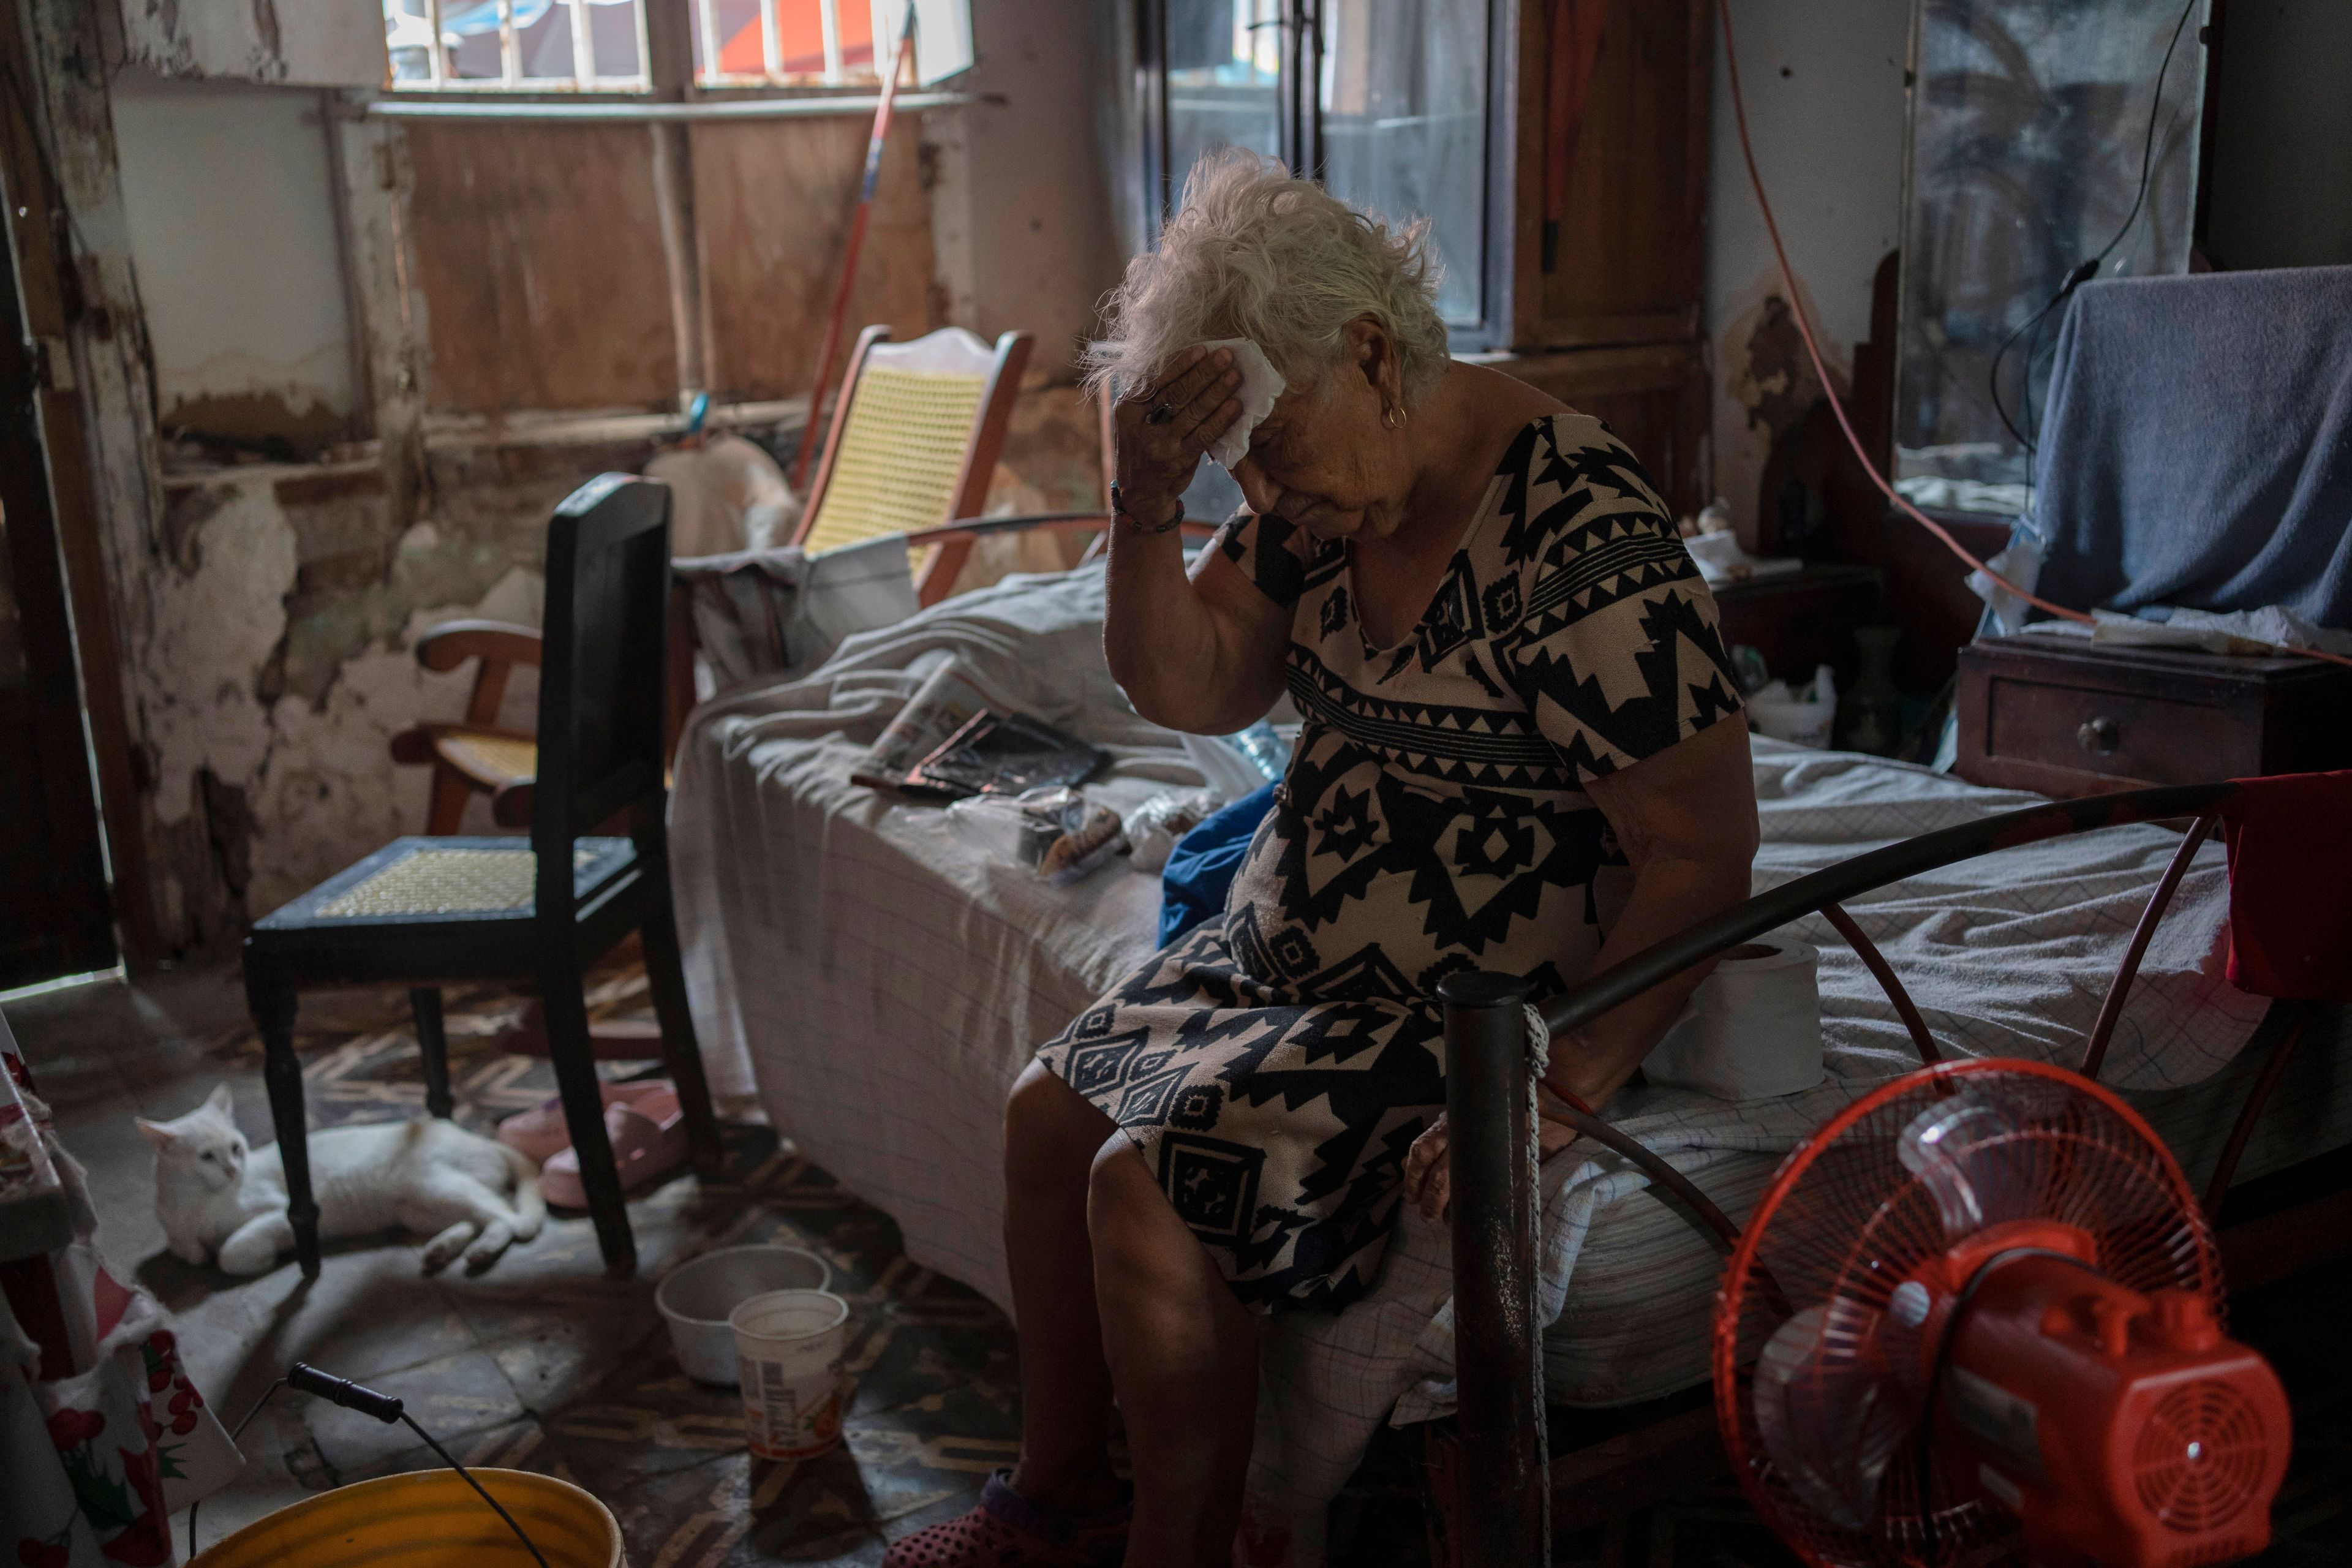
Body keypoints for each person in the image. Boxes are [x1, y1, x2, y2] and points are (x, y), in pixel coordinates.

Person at [882, 149, 1758, 1568]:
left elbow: (1706, 848)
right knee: (1047, 1117)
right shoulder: (1322, 484)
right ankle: (1059, 1499)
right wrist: (1143, 505)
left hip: (1460, 1014)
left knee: (1138, 1184)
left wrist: (1565, 1082)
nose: (1269, 485)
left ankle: (1186, 1546)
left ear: (1372, 352)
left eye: (1271, 446)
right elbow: (1196, 683)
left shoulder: (1574, 526)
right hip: (1283, 953)